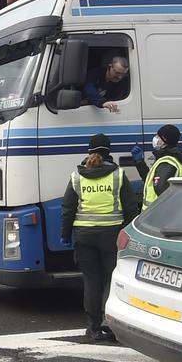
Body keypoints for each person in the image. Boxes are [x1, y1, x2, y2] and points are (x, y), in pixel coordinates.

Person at [61, 133, 139, 342]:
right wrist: (130, 232)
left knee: (91, 280)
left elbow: (68, 208)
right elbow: (131, 207)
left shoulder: (77, 176)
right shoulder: (118, 175)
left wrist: (64, 234)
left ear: (89, 151)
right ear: (108, 151)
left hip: (84, 236)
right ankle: (108, 322)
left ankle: (92, 327)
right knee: (109, 278)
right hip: (111, 235)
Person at [132, 124, 182, 211]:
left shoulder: (167, 162)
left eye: (158, 136)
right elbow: (150, 180)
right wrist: (140, 163)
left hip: (155, 215)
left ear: (165, 139)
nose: (155, 138)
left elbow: (161, 190)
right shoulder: (167, 159)